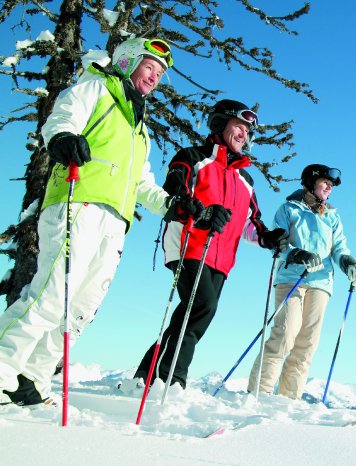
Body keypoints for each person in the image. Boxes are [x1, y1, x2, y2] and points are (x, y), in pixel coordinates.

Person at [0, 38, 197, 406]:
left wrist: (173, 205)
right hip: (77, 202)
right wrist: (61, 139)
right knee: (51, 295)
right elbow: (62, 118)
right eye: (148, 67)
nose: (154, 77)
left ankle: (31, 379)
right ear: (126, 62)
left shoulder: (140, 129)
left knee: (80, 309)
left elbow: (141, 183)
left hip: (114, 222)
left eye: (160, 73)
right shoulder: (97, 88)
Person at [130, 99, 289, 389]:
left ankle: (147, 372)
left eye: (248, 131)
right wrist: (201, 213)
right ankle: (169, 379)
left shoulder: (246, 179)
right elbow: (176, 194)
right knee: (201, 305)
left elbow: (250, 222)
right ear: (219, 124)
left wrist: (269, 237)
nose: (244, 134)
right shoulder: (192, 157)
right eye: (239, 127)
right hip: (188, 245)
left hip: (222, 258)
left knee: (194, 311)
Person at [247, 164, 356, 400]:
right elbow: (277, 243)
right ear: (310, 183)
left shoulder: (332, 216)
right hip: (292, 278)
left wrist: (348, 263)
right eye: (325, 183)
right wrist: (296, 253)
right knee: (285, 334)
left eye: (331, 186)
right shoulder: (289, 209)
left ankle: (288, 400)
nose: (329, 189)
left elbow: (339, 247)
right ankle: (258, 394)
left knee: (307, 344)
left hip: (321, 283)